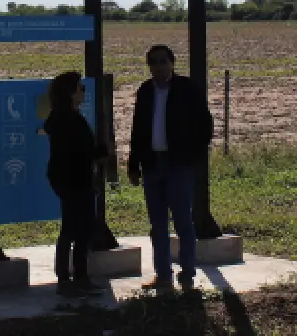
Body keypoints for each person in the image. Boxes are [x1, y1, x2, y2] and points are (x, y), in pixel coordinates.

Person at [126, 44, 214, 293]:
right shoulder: (145, 91)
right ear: (149, 66)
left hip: (179, 165)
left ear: (172, 63)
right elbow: (138, 129)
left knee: (184, 222)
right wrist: (134, 164)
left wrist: (193, 154)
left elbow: (205, 125)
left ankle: (187, 275)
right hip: (153, 165)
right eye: (154, 62)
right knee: (158, 224)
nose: (159, 66)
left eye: (164, 61)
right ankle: (163, 275)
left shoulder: (187, 89)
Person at [44, 71, 106, 298]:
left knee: (78, 228)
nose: (83, 91)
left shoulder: (65, 117)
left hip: (74, 179)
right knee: (75, 229)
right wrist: (100, 152)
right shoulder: (66, 119)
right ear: (69, 92)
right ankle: (70, 278)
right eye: (80, 87)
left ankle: (75, 277)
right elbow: (79, 151)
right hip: (74, 181)